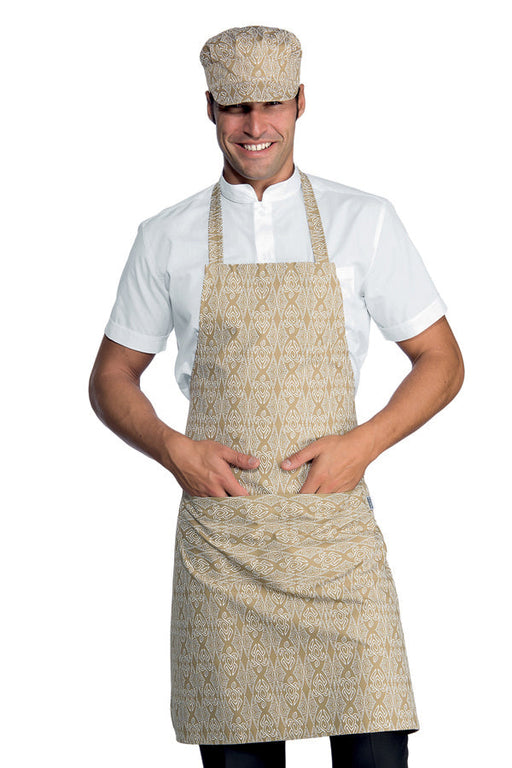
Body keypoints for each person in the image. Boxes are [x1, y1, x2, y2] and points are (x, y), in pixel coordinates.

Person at [89, 25, 464, 768]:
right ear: (209, 108)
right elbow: (110, 377)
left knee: (375, 754)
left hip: (336, 544)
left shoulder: (365, 220)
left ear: (300, 103)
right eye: (235, 106)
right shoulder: (165, 236)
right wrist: (174, 450)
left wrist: (363, 445)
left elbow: (442, 362)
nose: (254, 125)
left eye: (270, 104)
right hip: (224, 551)